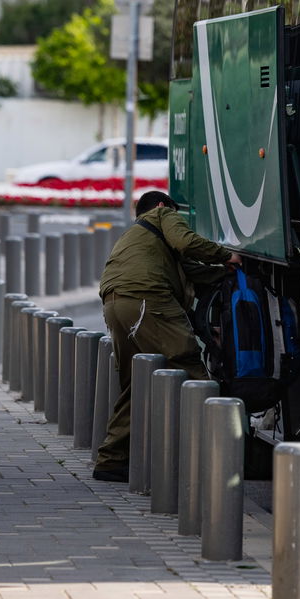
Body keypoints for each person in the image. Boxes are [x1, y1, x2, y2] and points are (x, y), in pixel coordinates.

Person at [92, 190, 241, 483]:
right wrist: (227, 255)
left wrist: (225, 272)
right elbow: (186, 242)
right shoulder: (162, 214)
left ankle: (111, 460)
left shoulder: (137, 237)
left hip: (114, 302)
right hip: (147, 298)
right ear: (162, 206)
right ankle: (221, 457)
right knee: (188, 365)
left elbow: (190, 271)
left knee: (135, 383)